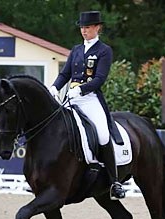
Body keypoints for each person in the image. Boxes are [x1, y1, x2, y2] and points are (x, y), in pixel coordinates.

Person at [49, 11, 125, 200]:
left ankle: (114, 182)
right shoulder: (76, 49)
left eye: (88, 27)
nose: (84, 31)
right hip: (71, 97)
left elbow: (99, 78)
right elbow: (65, 74)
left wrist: (81, 90)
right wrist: (54, 87)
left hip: (90, 98)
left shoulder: (104, 50)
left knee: (102, 133)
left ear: (97, 27)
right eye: (82, 27)